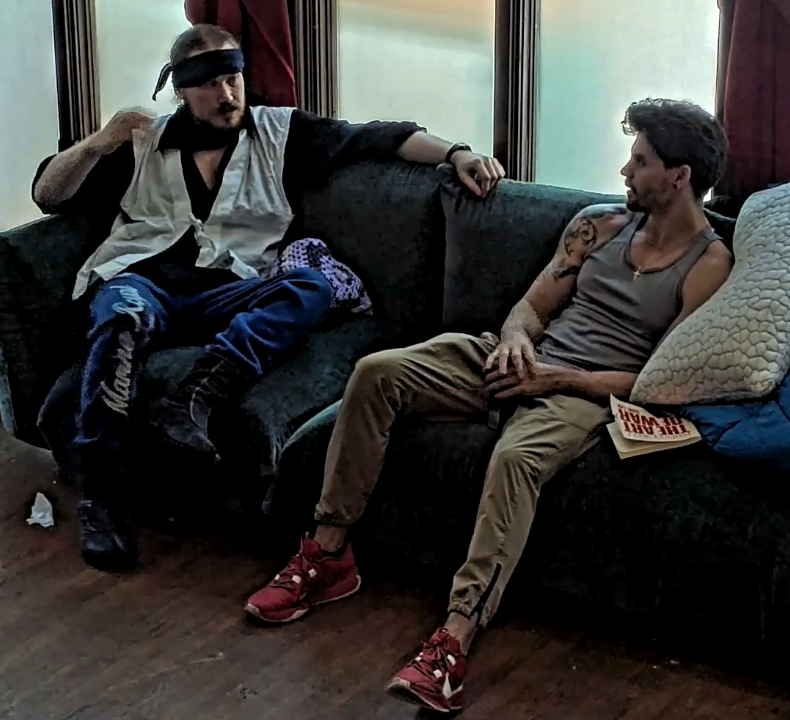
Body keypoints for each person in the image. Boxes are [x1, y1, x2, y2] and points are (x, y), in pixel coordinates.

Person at [245, 98, 733, 713]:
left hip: (580, 391)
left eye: (640, 162)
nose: (625, 172)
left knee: (514, 460)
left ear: (679, 176)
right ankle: (329, 552)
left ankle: (455, 638)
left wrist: (553, 379)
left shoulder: (709, 264)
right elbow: (531, 307)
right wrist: (515, 342)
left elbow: (658, 380)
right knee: (377, 373)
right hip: (521, 361)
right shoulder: (599, 225)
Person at [30, 24, 505, 574]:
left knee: (310, 286)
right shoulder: (142, 143)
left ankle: (194, 398)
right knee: (121, 319)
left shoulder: (280, 132)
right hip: (141, 285)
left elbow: (379, 137)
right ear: (181, 90)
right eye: (209, 84)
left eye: (232, 78)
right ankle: (100, 498)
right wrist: (101, 139)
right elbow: (48, 194)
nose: (227, 94)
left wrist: (458, 153)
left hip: (227, 294)